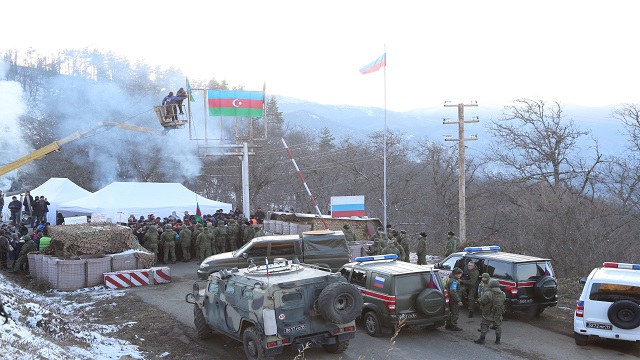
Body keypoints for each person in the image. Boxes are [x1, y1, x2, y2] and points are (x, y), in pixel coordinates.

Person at [475, 277, 506, 345]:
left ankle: (482, 339)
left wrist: (478, 301)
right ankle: (498, 340)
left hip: (488, 312)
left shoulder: (488, 293)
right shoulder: (502, 293)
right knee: (498, 326)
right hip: (498, 312)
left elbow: (483, 301)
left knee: (484, 325)